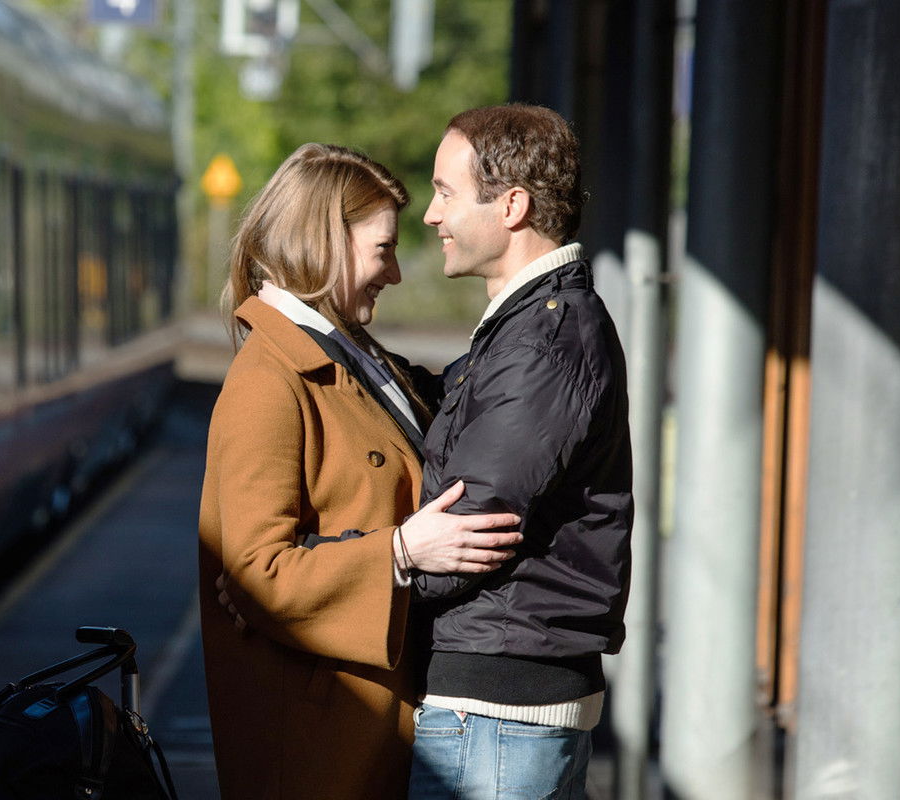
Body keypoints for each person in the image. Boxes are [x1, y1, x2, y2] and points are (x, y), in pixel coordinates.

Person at [197, 143, 525, 800]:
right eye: (383, 250)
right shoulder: (268, 381)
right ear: (324, 244)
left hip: (360, 736)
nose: (395, 273)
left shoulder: (349, 355)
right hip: (318, 755)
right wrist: (402, 551)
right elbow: (259, 574)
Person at [403, 103, 633, 799]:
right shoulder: (530, 328)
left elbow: (470, 529)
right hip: (505, 708)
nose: (431, 216)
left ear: (512, 206)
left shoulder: (542, 343)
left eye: (445, 193)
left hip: (496, 713)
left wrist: (354, 566)